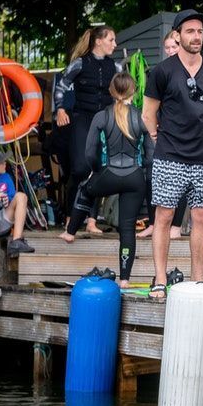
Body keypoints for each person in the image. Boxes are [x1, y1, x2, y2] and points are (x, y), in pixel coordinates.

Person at [141, 9, 203, 296]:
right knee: (163, 216)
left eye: (200, 31)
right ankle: (160, 279)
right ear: (177, 36)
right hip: (169, 154)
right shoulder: (162, 71)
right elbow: (148, 113)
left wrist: (196, 130)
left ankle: (198, 281)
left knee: (202, 216)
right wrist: (157, 134)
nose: (196, 36)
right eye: (190, 31)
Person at [59, 73, 153, 286]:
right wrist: (141, 174)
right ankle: (125, 280)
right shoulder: (141, 118)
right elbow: (150, 156)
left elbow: (90, 152)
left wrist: (97, 171)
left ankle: (70, 232)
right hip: (135, 177)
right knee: (127, 228)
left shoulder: (101, 116)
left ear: (111, 91)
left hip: (109, 173)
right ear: (134, 91)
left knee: (85, 189)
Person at [54, 25, 121, 235]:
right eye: (111, 40)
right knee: (81, 169)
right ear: (99, 41)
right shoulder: (80, 63)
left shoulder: (117, 68)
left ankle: (91, 221)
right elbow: (61, 86)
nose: (115, 44)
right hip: (82, 119)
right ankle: (69, 216)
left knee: (99, 170)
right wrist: (60, 109)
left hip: (104, 120)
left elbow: (124, 92)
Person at [137, 31, 186, 240]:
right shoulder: (161, 71)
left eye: (173, 47)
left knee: (182, 177)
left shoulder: (190, 70)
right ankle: (153, 222)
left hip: (183, 134)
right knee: (152, 174)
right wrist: (153, 131)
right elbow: (150, 106)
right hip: (160, 131)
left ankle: (176, 226)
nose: (170, 51)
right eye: (167, 48)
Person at [0, 151, 35, 258]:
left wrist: (5, 199)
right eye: (1, 162)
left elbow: (12, 197)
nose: (5, 163)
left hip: (3, 218)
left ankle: (16, 241)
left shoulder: (6, 177)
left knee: (21, 196)